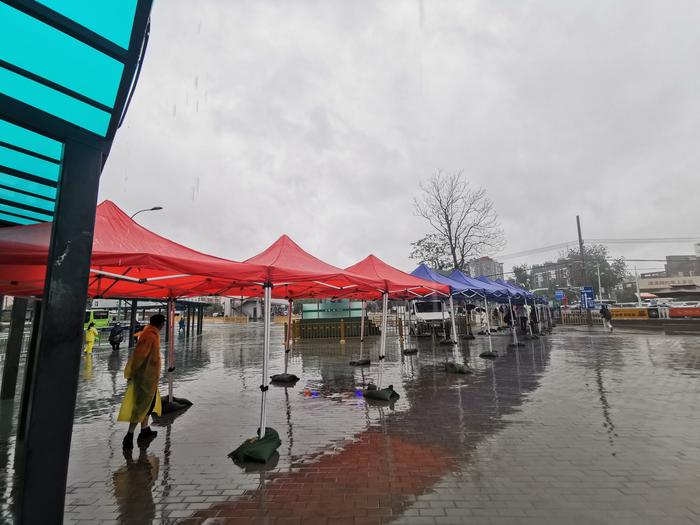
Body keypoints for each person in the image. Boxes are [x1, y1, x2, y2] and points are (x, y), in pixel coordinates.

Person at [118, 314, 165, 450]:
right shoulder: (150, 336)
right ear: (160, 324)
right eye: (163, 323)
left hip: (149, 379)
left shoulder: (152, 333)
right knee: (140, 407)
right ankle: (130, 436)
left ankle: (145, 430)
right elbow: (139, 356)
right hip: (144, 379)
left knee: (147, 406)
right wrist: (132, 373)